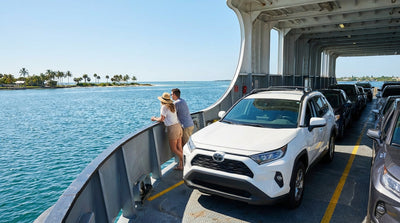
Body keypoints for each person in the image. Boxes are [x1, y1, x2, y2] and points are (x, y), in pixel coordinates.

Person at [151, 92, 183, 170]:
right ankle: (181, 166)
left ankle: (186, 159)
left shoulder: (164, 107)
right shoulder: (173, 106)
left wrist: (154, 118)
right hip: (178, 126)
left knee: (174, 149)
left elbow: (162, 119)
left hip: (172, 129)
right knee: (179, 146)